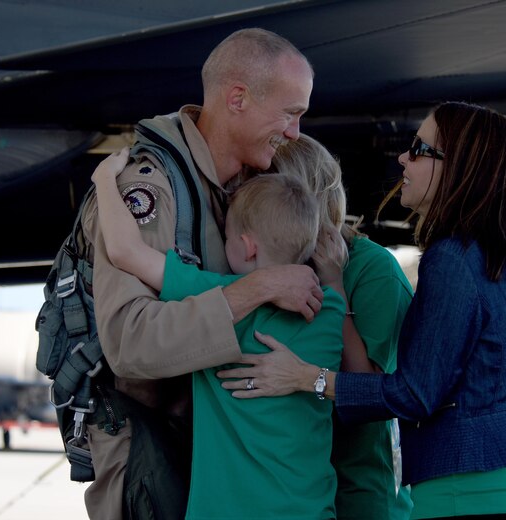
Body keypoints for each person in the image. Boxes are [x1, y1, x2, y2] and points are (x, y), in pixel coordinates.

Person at [217, 101, 506, 519]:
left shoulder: (452, 259)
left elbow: (414, 394)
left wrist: (304, 377)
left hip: (460, 495)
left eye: (419, 149)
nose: (402, 157)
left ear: (458, 167)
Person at [79, 28, 319, 520]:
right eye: (289, 113)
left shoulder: (248, 189)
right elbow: (130, 343)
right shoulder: (149, 190)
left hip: (227, 468)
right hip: (155, 466)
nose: (294, 132)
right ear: (237, 98)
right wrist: (254, 289)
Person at [93, 151, 345, 517]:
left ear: (246, 247)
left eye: (224, 237)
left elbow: (123, 250)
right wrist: (333, 276)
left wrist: (104, 178)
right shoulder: (331, 311)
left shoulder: (221, 297)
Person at [269, 135, 415, 519]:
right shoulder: (263, 265)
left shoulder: (372, 269)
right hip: (288, 491)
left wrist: (335, 289)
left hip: (358, 495)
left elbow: (368, 393)